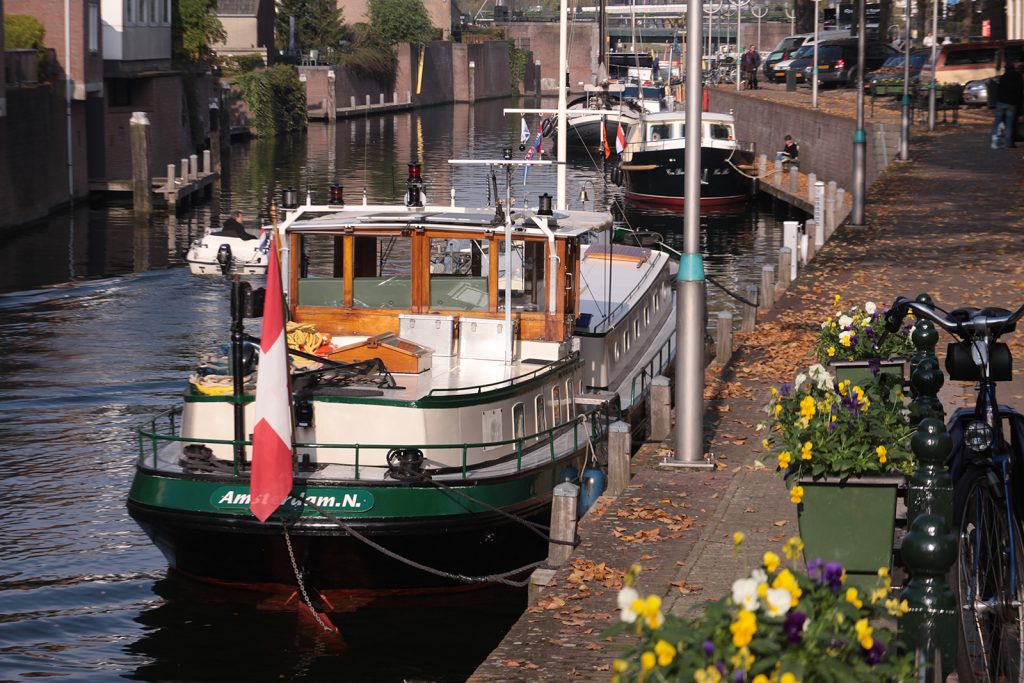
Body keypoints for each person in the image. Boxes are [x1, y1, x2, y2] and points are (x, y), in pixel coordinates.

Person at [991, 59, 1022, 149]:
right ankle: (1008, 143)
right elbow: (1019, 91)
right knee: (1009, 123)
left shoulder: (1003, 77)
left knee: (997, 122)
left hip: (1001, 102)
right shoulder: (1017, 76)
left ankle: (994, 142)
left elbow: (998, 90)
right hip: (1012, 103)